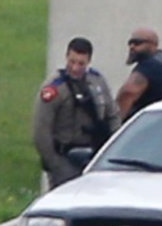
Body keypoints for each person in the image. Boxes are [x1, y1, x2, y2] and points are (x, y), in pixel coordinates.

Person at [33, 36, 118, 189]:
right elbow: (41, 130)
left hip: (94, 156)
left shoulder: (97, 81)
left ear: (89, 62)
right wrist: (54, 164)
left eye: (81, 63)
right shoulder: (54, 88)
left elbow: (112, 115)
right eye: (72, 62)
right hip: (65, 159)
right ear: (66, 57)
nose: (75, 68)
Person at [116, 28, 162, 121]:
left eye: (138, 43)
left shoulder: (150, 66)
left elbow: (128, 92)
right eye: (130, 43)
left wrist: (114, 124)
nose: (132, 47)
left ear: (153, 45)